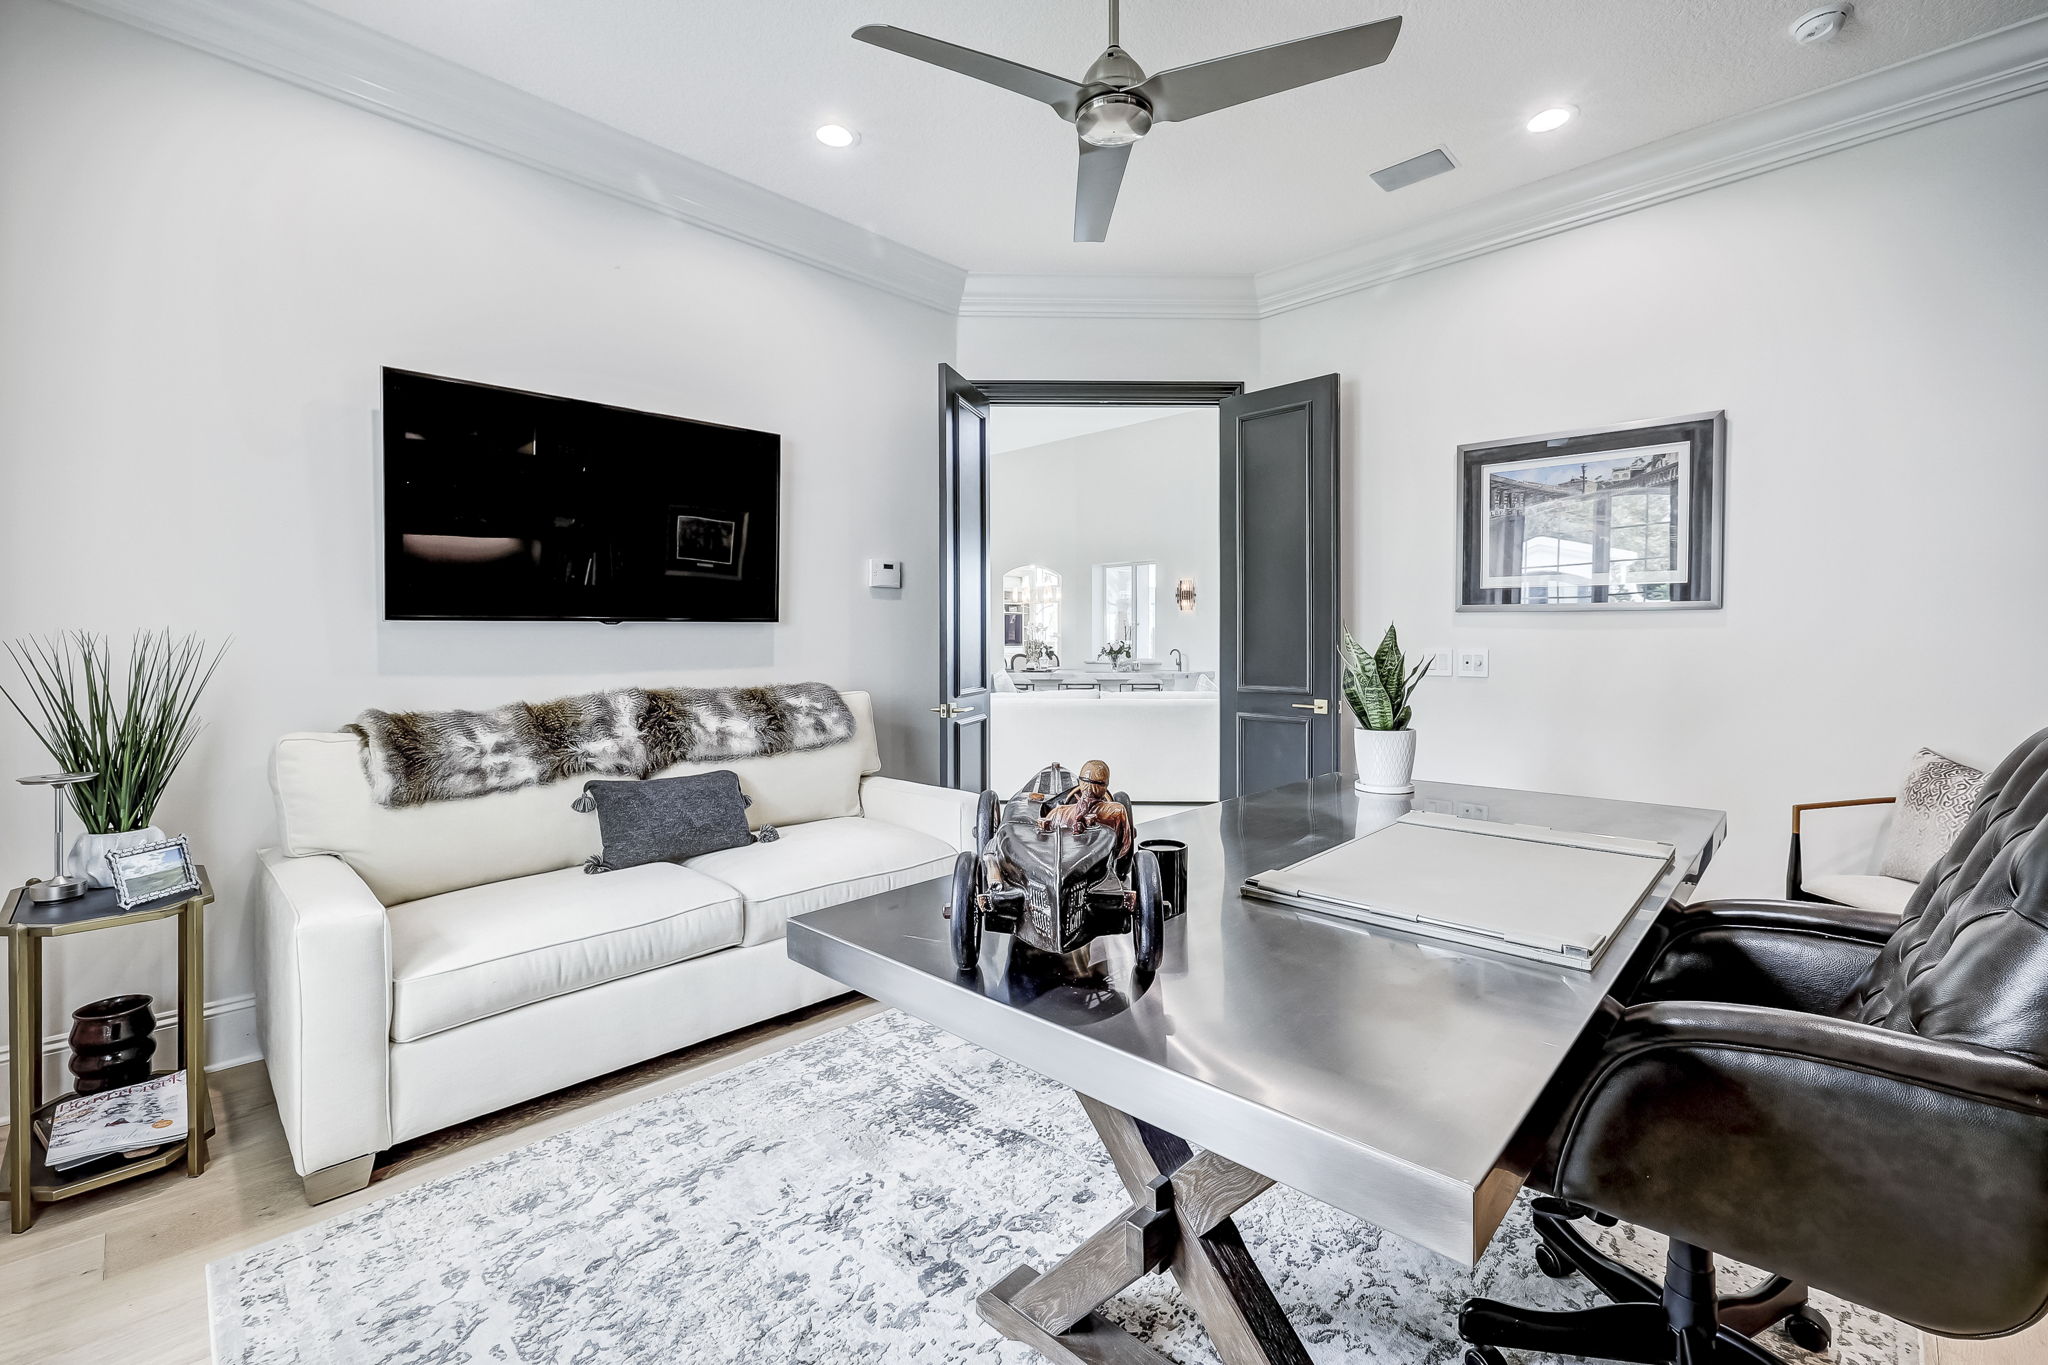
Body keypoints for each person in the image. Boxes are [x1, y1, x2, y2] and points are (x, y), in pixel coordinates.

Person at [1041, 759, 1134, 861]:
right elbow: (1123, 848)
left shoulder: (1057, 813)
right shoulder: (1117, 811)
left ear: (1081, 783)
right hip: (1101, 865)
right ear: (1104, 786)